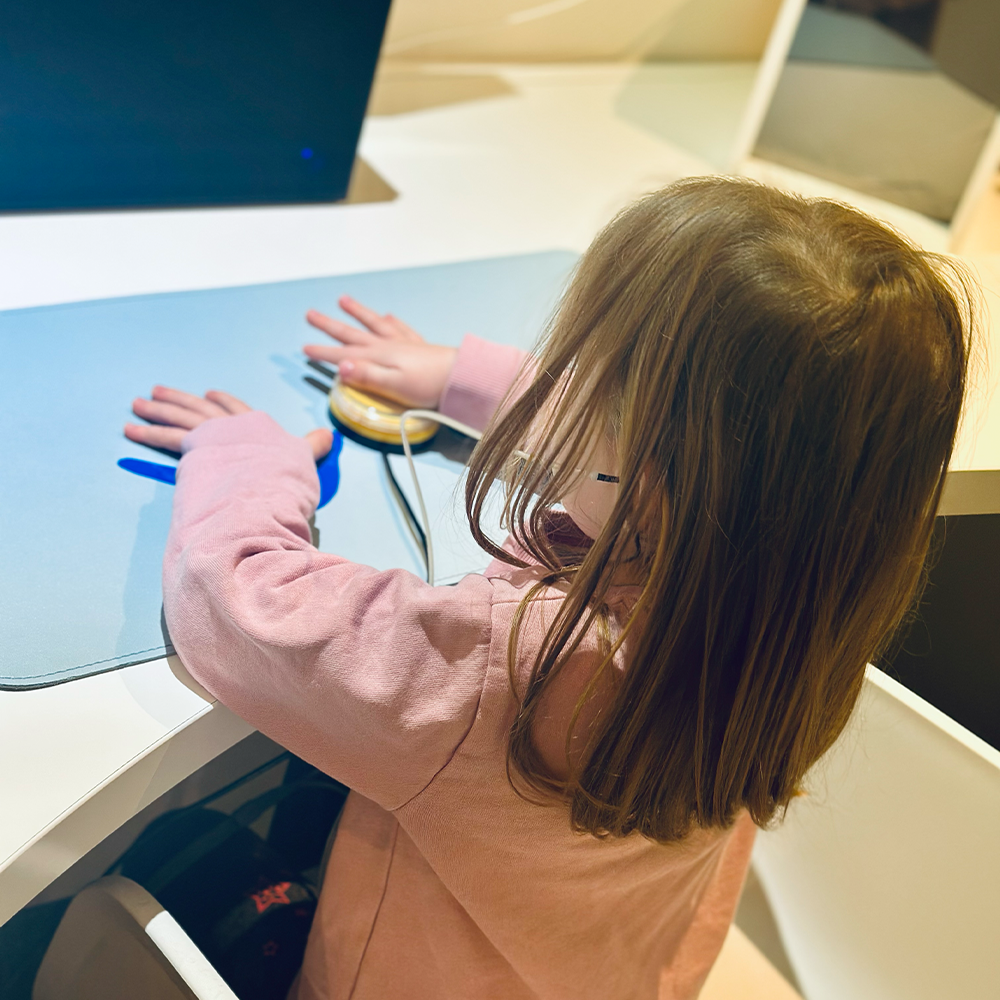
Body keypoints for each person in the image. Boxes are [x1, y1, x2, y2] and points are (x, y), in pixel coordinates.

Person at [124, 177, 974, 1000]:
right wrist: (463, 377)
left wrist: (246, 459)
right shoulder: (805, 600)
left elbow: (230, 600)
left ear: (653, 463)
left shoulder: (507, 672)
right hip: (618, 971)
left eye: (586, 372)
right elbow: (735, 439)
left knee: (176, 849)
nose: (561, 386)